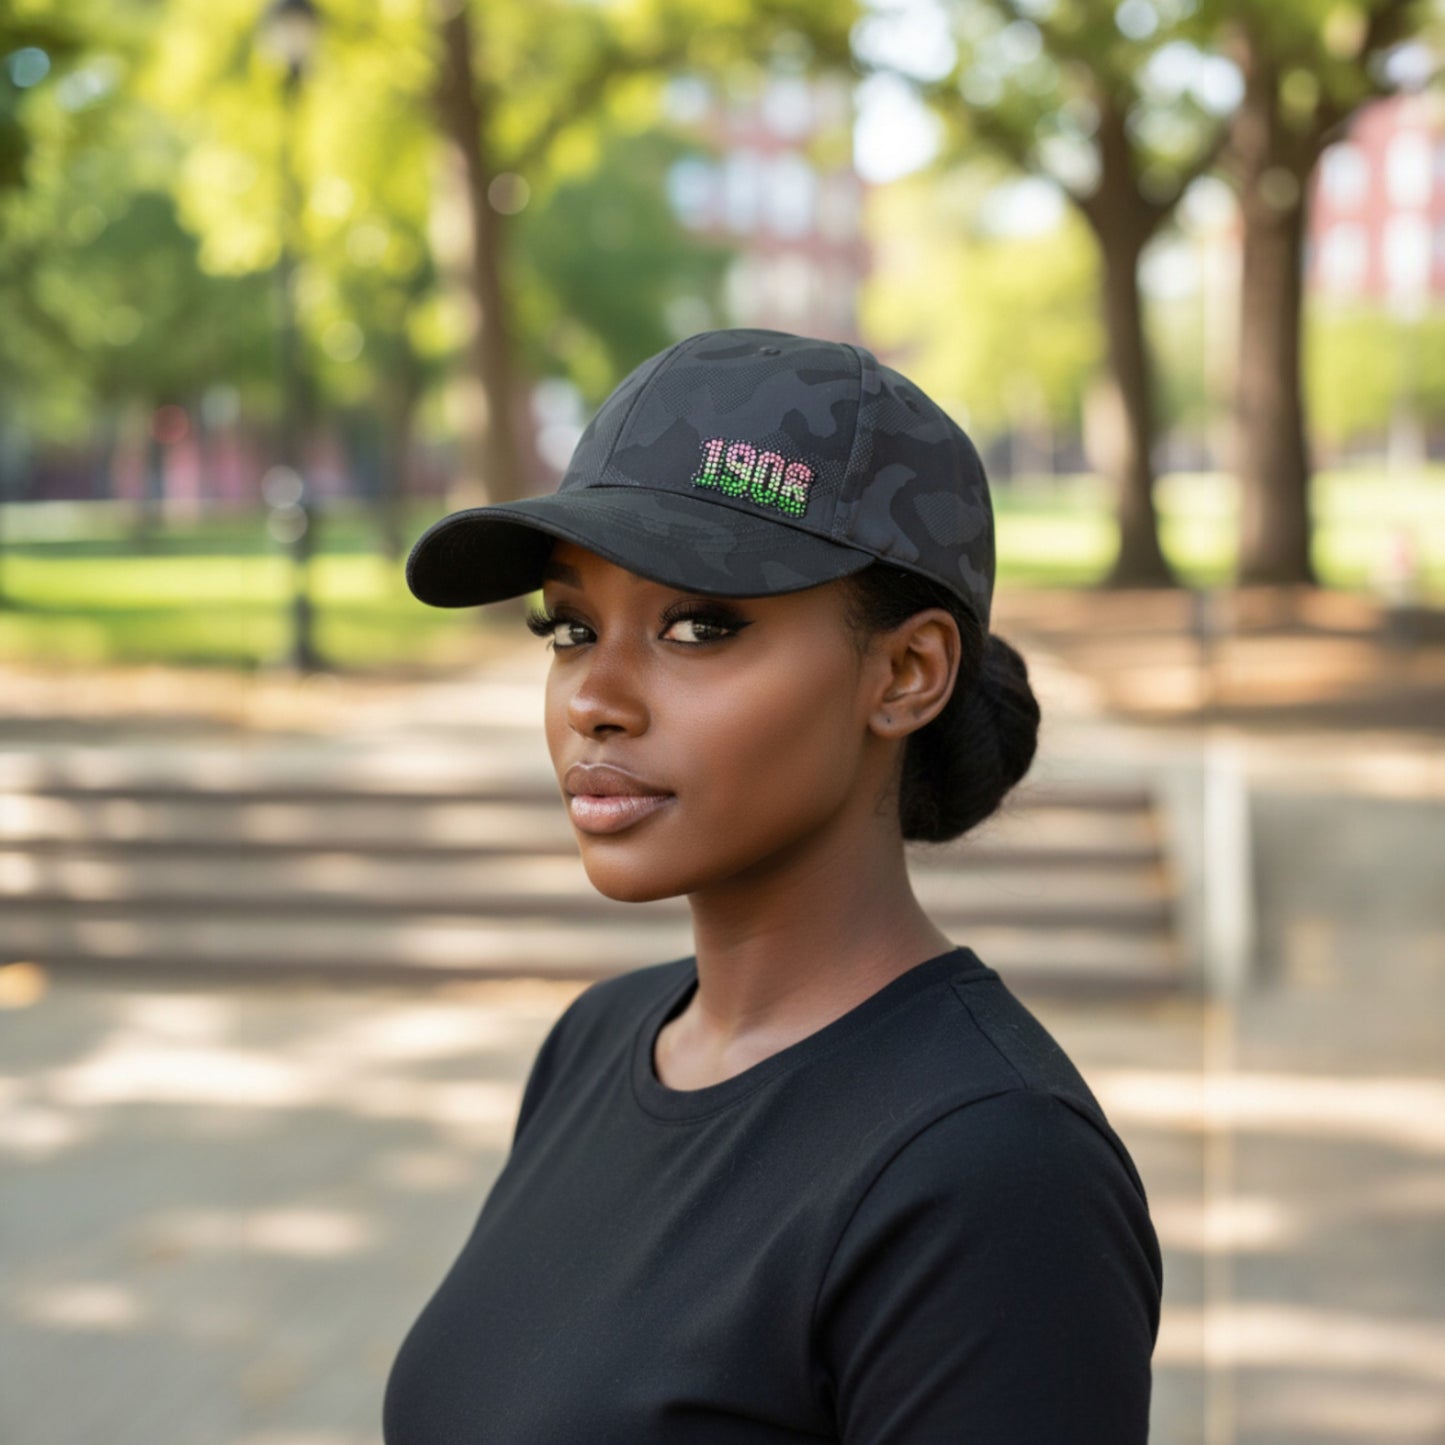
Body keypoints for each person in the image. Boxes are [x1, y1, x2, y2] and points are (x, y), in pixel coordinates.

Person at [382, 327, 1163, 1444]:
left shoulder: (992, 1173)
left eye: (699, 625)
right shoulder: (595, 1042)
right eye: (567, 627)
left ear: (904, 672)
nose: (593, 697)